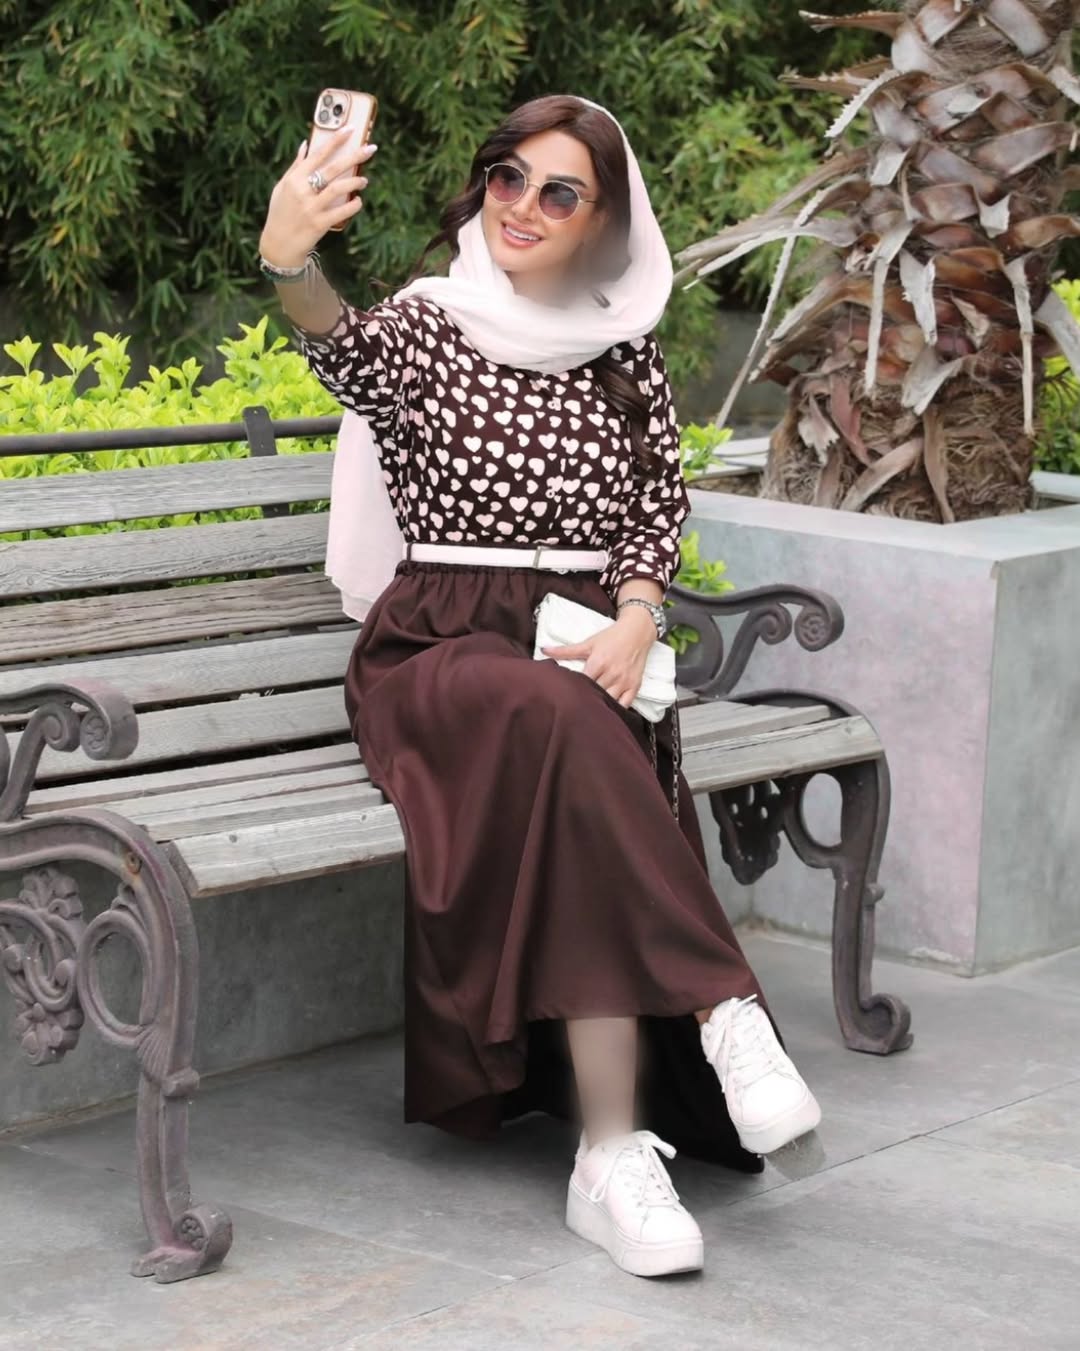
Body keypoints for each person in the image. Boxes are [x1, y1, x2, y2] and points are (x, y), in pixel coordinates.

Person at [259, 93, 820, 1279]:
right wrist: (289, 256)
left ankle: (610, 1155)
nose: (522, 205)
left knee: (577, 773)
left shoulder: (624, 350)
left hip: (580, 649)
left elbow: (654, 506)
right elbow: (339, 344)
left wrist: (638, 619)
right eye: (507, 177)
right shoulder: (430, 324)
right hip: (440, 651)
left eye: (560, 191)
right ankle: (724, 1009)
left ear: (605, 222)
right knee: (565, 720)